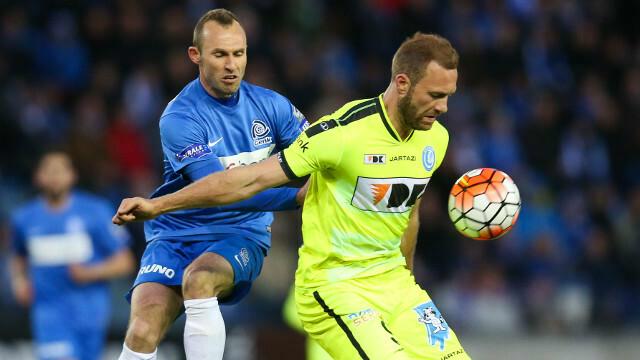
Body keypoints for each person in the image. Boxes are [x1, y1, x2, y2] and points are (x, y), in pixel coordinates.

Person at [114, 32, 470, 359]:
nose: (443, 108)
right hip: (336, 286)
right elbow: (246, 181)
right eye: (435, 96)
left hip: (394, 285)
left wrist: (406, 282)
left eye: (448, 97)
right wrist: (159, 204)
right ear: (403, 83)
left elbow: (411, 211)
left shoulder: (435, 140)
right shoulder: (341, 134)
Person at [116, 8, 309, 360]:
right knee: (142, 331)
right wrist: (296, 196)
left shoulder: (273, 107)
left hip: (240, 235)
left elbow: (318, 156)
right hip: (175, 235)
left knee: (199, 279)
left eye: (239, 53)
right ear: (196, 55)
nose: (231, 65)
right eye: (220, 54)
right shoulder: (180, 117)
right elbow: (220, 192)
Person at [9, 151, 134, 360]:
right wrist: (19, 281)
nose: (55, 176)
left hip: (91, 312)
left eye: (60, 170)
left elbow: (125, 262)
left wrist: (90, 273)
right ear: (38, 177)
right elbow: (18, 255)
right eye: (49, 171)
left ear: (72, 175)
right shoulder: (24, 218)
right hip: (49, 312)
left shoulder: (95, 211)